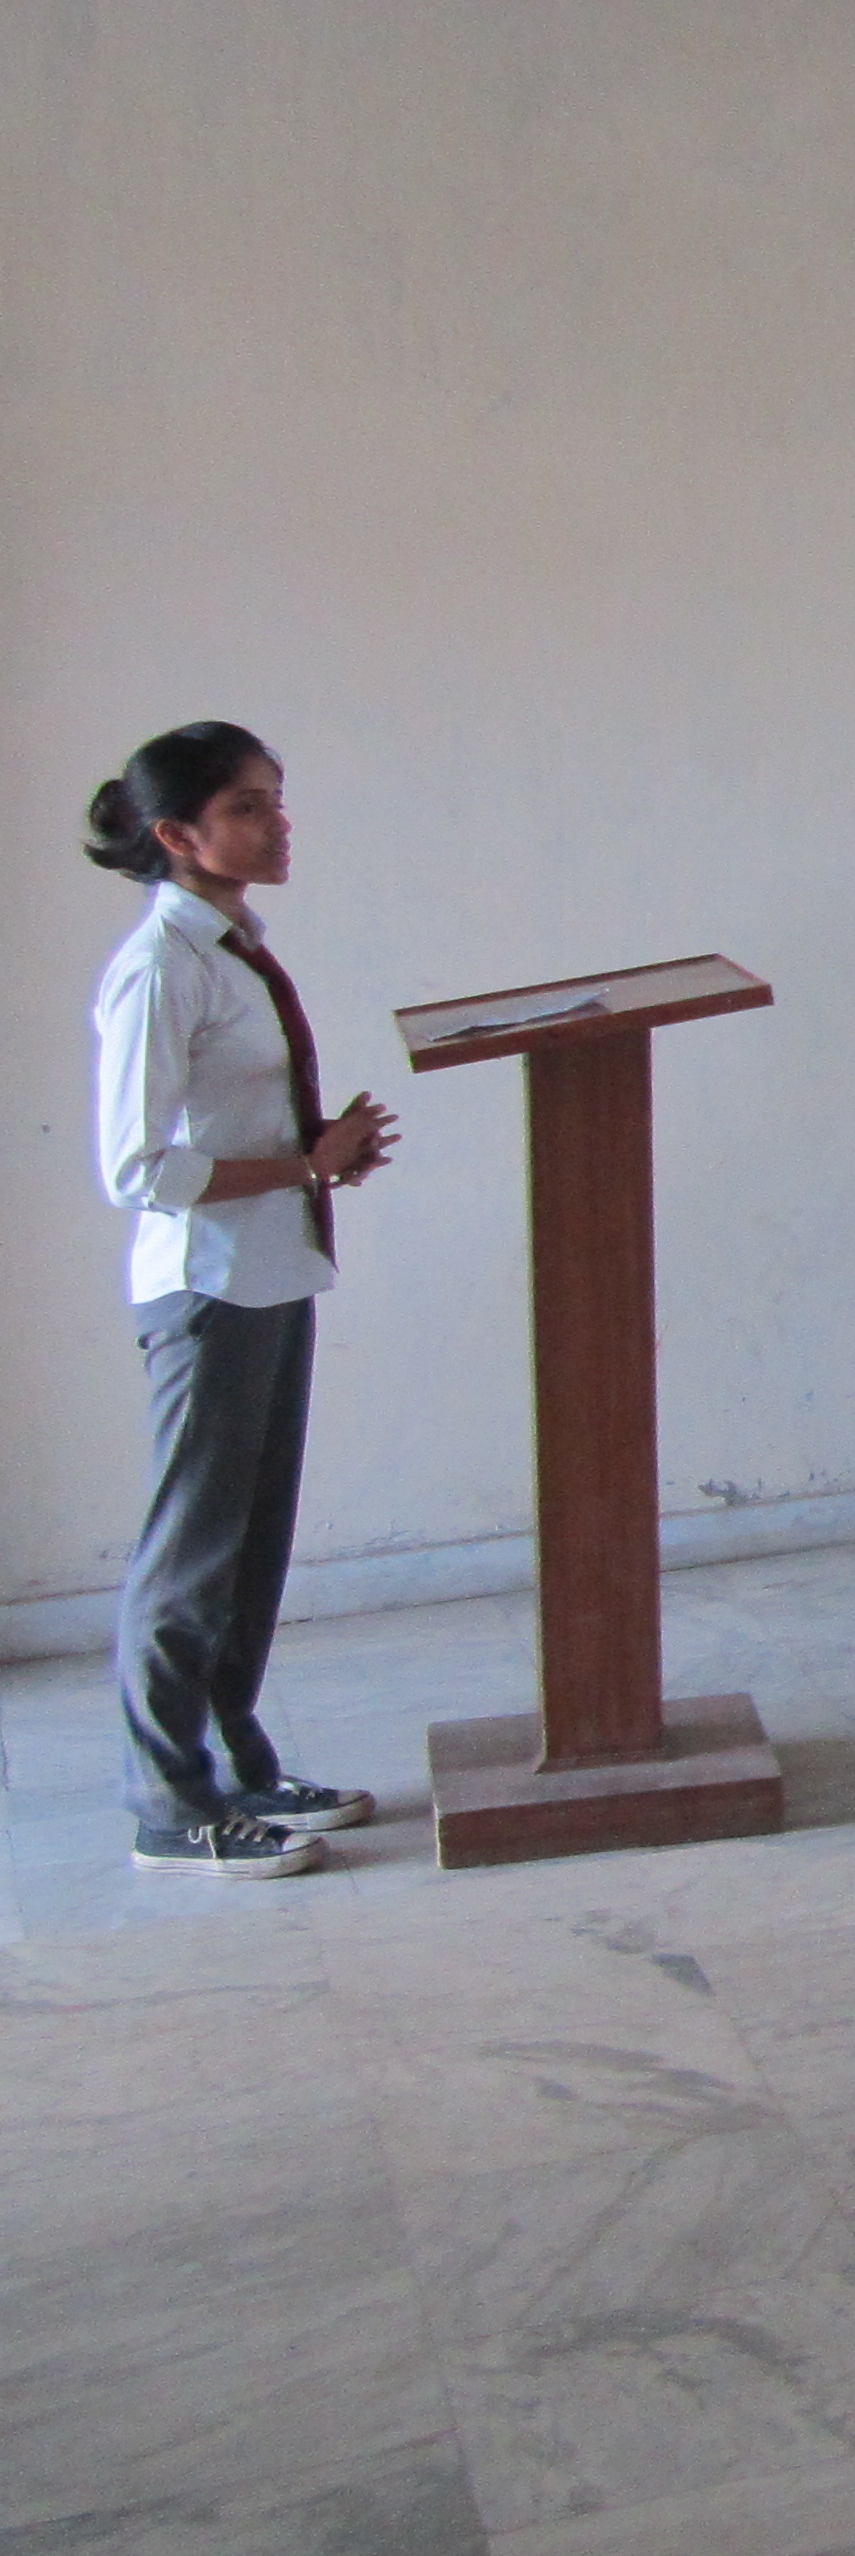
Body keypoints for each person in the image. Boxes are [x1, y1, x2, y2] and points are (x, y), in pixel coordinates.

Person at [87, 724, 398, 1879]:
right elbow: (138, 1170)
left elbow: (232, 1126)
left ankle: (236, 1764)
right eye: (248, 807)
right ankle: (171, 1804)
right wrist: (304, 1165)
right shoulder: (162, 967)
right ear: (178, 834)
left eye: (277, 798)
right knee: (192, 1550)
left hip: (269, 1272)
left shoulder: (230, 950)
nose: (278, 824)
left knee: (251, 1545)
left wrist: (315, 1156)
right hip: (207, 1288)